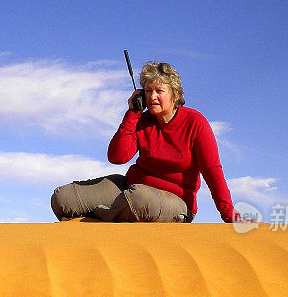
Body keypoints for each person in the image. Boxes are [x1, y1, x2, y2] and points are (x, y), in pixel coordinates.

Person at [51, 61, 241, 223]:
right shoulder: (141, 121)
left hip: (174, 201)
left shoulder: (195, 122)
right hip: (130, 188)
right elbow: (117, 157)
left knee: (139, 198)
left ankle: (95, 219)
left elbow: (212, 171)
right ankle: (104, 216)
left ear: (175, 95)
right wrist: (132, 114)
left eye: (159, 91)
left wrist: (228, 214)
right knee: (63, 198)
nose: (152, 97)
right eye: (148, 91)